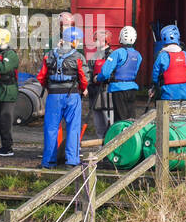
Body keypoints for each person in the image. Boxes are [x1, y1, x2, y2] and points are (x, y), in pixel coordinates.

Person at [37, 26, 89, 168]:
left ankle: (49, 161)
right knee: (73, 127)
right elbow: (84, 77)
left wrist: (50, 87)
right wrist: (84, 88)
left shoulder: (49, 55)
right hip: (72, 96)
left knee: (51, 128)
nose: (78, 43)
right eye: (77, 40)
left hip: (53, 96)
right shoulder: (78, 57)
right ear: (72, 41)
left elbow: (41, 77)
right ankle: (71, 160)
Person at [97, 25, 144, 123]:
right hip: (132, 88)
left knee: (120, 119)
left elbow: (105, 73)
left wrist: (98, 78)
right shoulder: (138, 55)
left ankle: (119, 137)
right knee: (131, 118)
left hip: (118, 89)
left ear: (121, 37)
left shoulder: (117, 53)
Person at [0, 27, 20, 157]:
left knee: (5, 119)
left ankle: (8, 147)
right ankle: (4, 146)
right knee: (0, 120)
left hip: (8, 92)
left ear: (2, 40)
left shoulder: (10, 55)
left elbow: (3, 68)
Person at [149, 24, 186, 112]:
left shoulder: (162, 55)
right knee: (184, 117)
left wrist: (154, 85)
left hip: (169, 94)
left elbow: (155, 74)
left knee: (169, 118)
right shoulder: (185, 54)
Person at [88, 29, 114, 138]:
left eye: (97, 40)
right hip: (95, 93)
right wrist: (91, 80)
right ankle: (100, 148)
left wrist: (105, 77)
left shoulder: (113, 55)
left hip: (107, 93)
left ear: (105, 41)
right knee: (99, 126)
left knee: (110, 124)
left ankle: (111, 148)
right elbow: (88, 72)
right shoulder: (93, 56)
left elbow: (115, 73)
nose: (94, 42)